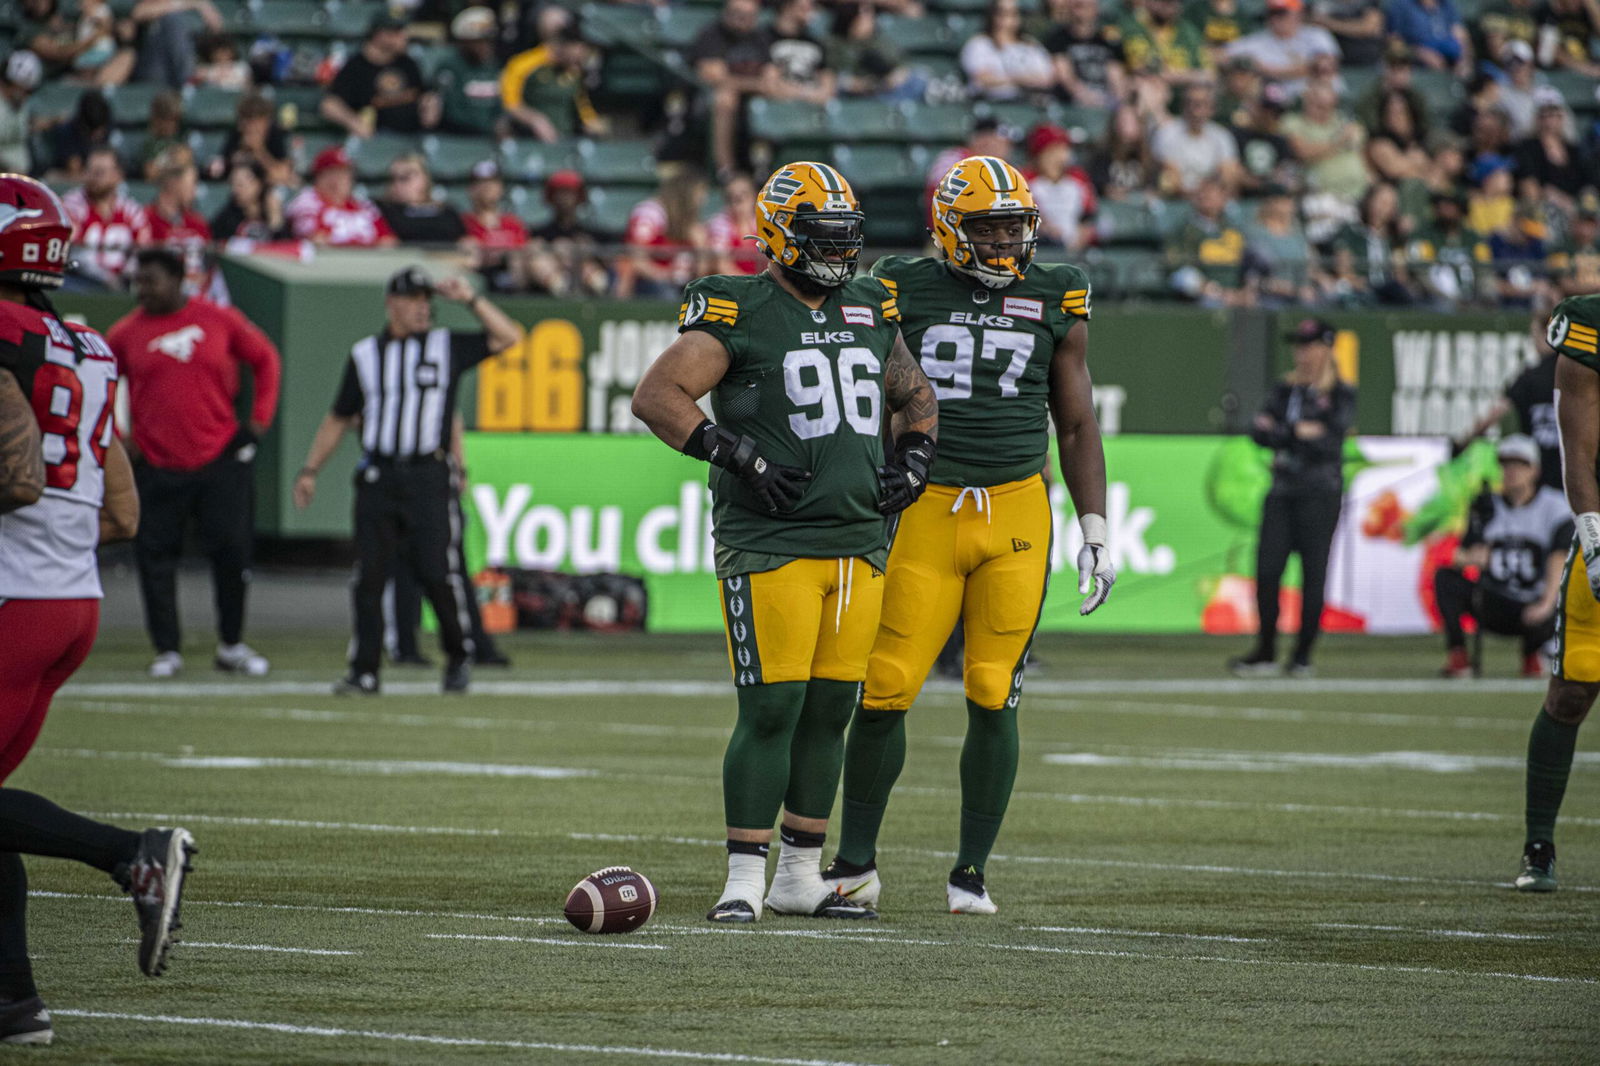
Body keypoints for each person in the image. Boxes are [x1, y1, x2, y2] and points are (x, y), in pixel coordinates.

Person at [630, 161, 938, 924]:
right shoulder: (740, 306)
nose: (837, 250)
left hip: (860, 538)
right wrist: (736, 454)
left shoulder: (870, 303)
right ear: (779, 235)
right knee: (772, 707)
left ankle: (799, 874)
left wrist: (915, 455)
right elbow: (657, 395)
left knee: (832, 709)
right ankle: (743, 877)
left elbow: (915, 394)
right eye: (820, 235)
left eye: (844, 235)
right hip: (770, 539)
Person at [821, 154, 1112, 916]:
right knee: (886, 686)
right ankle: (854, 865)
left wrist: (1095, 526)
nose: (1004, 242)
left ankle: (971, 873)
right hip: (925, 504)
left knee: (993, 689)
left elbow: (1076, 422)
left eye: (1014, 227)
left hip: (1016, 509)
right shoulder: (900, 285)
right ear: (950, 228)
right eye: (987, 228)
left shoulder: (1057, 291)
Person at [0, 174, 194, 1046]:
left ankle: (130, 853)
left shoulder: (7, 335)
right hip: (72, 599)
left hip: (14, 599)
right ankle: (14, 1004)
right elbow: (122, 513)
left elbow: (17, 479)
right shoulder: (85, 343)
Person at [293, 267, 524, 696]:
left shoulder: (445, 346)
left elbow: (509, 337)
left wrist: (470, 299)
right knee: (369, 578)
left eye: (426, 299)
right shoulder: (366, 355)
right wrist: (310, 470)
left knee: (437, 573)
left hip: (428, 475)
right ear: (391, 304)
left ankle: (457, 655)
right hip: (378, 475)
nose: (423, 308)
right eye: (413, 299)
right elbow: (339, 416)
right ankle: (364, 670)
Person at [106, 248, 281, 679]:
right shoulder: (125, 333)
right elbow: (102, 382)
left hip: (219, 457)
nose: (143, 290)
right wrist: (119, 436)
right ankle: (167, 648)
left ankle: (232, 644)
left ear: (178, 279)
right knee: (155, 557)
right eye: (138, 281)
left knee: (232, 553)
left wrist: (258, 422)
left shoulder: (219, 319)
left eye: (151, 281)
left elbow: (265, 359)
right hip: (157, 462)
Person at [1514, 292, 1600, 891]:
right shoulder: (1589, 324)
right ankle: (1538, 845)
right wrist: (1594, 538)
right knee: (1571, 692)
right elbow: (1579, 451)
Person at [1230, 317, 1356, 676]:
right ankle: (1266, 649)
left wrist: (1284, 433)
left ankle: (1302, 654)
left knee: (1313, 575)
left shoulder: (1341, 394)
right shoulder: (1285, 390)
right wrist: (1298, 432)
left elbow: (1329, 440)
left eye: (1308, 346)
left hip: (1320, 493)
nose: (1301, 353)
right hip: (1283, 491)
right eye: (1299, 346)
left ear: (1325, 349)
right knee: (1268, 570)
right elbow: (1259, 431)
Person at [1435, 435, 1569, 678]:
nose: (1512, 471)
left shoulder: (1555, 507)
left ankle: (1535, 652)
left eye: (1519, 464)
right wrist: (1476, 556)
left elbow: (1560, 556)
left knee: (1570, 594)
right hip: (1496, 599)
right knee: (1445, 578)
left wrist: (1546, 604)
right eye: (1506, 465)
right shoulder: (1486, 506)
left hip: (1538, 601)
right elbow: (1460, 555)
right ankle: (1458, 654)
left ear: (1535, 470)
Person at [689, 0, 776, 177]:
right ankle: (725, 170)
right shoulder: (711, 35)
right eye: (738, 14)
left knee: (779, 93)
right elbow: (714, 76)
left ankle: (771, 170)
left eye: (749, 16)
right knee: (726, 98)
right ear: (727, 12)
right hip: (706, 101)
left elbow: (771, 75)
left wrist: (752, 84)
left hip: (752, 97)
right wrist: (756, 84)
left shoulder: (760, 37)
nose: (743, 20)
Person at [320, 13, 439, 138]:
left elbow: (425, 95)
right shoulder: (356, 67)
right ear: (379, 35)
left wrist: (430, 104)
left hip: (414, 137)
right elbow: (329, 105)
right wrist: (354, 123)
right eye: (396, 32)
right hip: (378, 140)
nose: (404, 36)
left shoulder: (407, 63)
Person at [62, 146, 150, 291]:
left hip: (123, 282)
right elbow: (77, 255)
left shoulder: (131, 211)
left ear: (118, 175)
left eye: (100, 172)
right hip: (82, 281)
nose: (94, 177)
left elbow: (142, 250)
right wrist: (106, 278)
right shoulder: (73, 205)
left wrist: (126, 275)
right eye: (90, 171)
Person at [499, 26, 604, 142]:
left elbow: (582, 104)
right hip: (528, 140)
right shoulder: (524, 64)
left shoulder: (574, 69)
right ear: (564, 45)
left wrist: (593, 123)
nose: (579, 59)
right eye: (578, 51)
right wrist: (535, 120)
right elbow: (510, 104)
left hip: (564, 140)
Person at [285, 146, 397, 248]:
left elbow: (388, 240)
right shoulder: (307, 201)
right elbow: (315, 239)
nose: (339, 180)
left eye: (345, 173)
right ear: (318, 176)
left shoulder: (364, 205)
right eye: (332, 173)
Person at [1224, 0, 1340, 96]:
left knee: (1324, 81)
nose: (1276, 18)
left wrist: (1267, 69)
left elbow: (1325, 66)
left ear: (1299, 13)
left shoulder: (1317, 35)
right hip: (1275, 104)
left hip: (1313, 98)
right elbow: (1223, 55)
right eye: (1272, 13)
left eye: (1281, 13)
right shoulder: (1257, 41)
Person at [1151, 82, 1243, 195]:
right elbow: (1170, 175)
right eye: (1190, 103)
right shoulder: (1166, 133)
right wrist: (1198, 196)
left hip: (1212, 196)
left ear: (1212, 109)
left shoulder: (1222, 135)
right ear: (1183, 106)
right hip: (1178, 197)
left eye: (1201, 104)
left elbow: (1228, 173)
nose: (1195, 111)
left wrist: (1212, 195)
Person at [962, 0, 1056, 101]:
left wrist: (1009, 80)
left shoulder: (1030, 45)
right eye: (1001, 13)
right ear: (992, 16)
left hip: (1027, 103)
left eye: (1013, 13)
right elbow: (983, 80)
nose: (1006, 19)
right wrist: (1022, 79)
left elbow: (1046, 79)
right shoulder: (979, 44)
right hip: (990, 103)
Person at [461, 159, 531, 293]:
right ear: (471, 189)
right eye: (480, 182)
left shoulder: (513, 223)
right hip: (478, 282)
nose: (487, 187)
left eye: (493, 182)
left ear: (501, 188)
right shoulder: (463, 223)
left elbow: (523, 252)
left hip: (515, 285)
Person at [1025, 124, 1097, 252]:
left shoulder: (1078, 178)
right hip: (1041, 246)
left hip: (1077, 246)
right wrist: (1045, 229)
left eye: (1065, 148)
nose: (1063, 154)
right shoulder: (1026, 179)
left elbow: (1089, 214)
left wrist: (1083, 233)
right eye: (1057, 149)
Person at [1043, 0, 1127, 108]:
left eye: (1087, 5)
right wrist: (1090, 98)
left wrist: (1118, 103)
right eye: (1078, 5)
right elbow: (1065, 77)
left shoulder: (1108, 40)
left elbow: (1116, 77)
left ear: (1096, 8)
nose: (1082, 10)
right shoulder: (1057, 39)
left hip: (1106, 99)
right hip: (1072, 104)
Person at [435, 6, 504, 136]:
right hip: (459, 139)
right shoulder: (450, 67)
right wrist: (487, 127)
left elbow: (500, 104)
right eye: (480, 41)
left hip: (491, 139)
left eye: (489, 41)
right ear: (465, 42)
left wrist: (501, 122)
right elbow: (451, 112)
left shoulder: (495, 66)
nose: (486, 46)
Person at [378, 154, 466, 245]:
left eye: (405, 177)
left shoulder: (447, 210)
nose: (398, 183)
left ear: (425, 178)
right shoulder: (383, 211)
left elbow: (464, 238)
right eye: (393, 178)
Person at [770, 0, 836, 104]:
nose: (811, 12)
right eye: (805, 8)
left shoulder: (816, 43)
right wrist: (805, 94)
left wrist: (816, 94)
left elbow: (828, 81)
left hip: (812, 104)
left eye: (812, 7)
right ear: (787, 8)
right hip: (779, 105)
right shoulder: (766, 38)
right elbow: (770, 83)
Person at [210, 160, 288, 244]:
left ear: (258, 184)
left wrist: (275, 218)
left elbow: (285, 245)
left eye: (240, 184)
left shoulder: (272, 210)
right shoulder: (226, 218)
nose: (235, 190)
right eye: (233, 184)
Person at [1385, 0, 1471, 73]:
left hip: (1449, 54)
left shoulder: (1446, 4)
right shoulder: (1401, 5)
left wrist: (1464, 59)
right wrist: (1419, 53)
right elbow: (1395, 41)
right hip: (1418, 59)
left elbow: (1460, 33)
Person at [0, 50, 41, 175]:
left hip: (21, 174)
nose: (25, 94)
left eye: (29, 91)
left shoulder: (20, 105)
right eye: (22, 88)